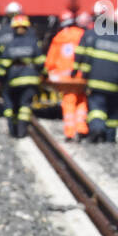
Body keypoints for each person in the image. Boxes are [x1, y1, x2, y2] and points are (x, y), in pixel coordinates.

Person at [77, 9, 118, 142]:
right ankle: (110, 137)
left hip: (95, 84)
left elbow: (88, 60)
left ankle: (97, 129)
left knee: (96, 109)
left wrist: (84, 77)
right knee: (112, 112)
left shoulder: (97, 37)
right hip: (114, 86)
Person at [0, 14, 45, 138]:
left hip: (14, 80)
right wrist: (44, 74)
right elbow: (40, 62)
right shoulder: (33, 43)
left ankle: (13, 129)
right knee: (25, 104)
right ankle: (22, 130)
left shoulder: (10, 45)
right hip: (30, 80)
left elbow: (3, 64)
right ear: (27, 28)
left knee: (13, 104)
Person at [44, 11, 88, 140]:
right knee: (81, 100)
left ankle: (70, 132)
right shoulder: (83, 35)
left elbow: (50, 62)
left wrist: (48, 72)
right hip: (81, 76)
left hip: (65, 79)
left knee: (68, 102)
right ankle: (81, 128)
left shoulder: (59, 37)